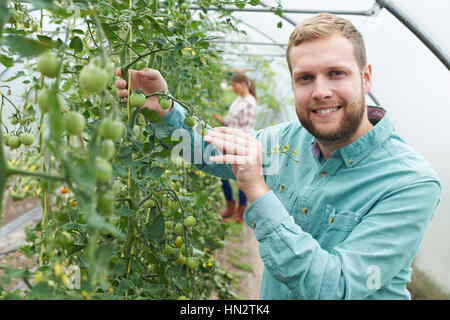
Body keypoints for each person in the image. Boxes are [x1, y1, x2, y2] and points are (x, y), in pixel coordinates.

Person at [115, 13, 441, 299]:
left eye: (336, 73)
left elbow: (335, 288)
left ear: (366, 78)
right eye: (305, 78)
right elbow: (207, 153)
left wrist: (257, 189)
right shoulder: (286, 140)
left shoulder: (409, 182)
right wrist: (165, 109)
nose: (320, 91)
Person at [212, 73, 258, 223]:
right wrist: (218, 120)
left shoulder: (250, 102)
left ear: (243, 83)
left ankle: (241, 211)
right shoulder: (238, 100)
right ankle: (230, 207)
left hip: (240, 142)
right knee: (223, 175)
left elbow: (246, 128)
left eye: (234, 85)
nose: (233, 88)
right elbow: (230, 121)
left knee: (241, 176)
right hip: (229, 140)